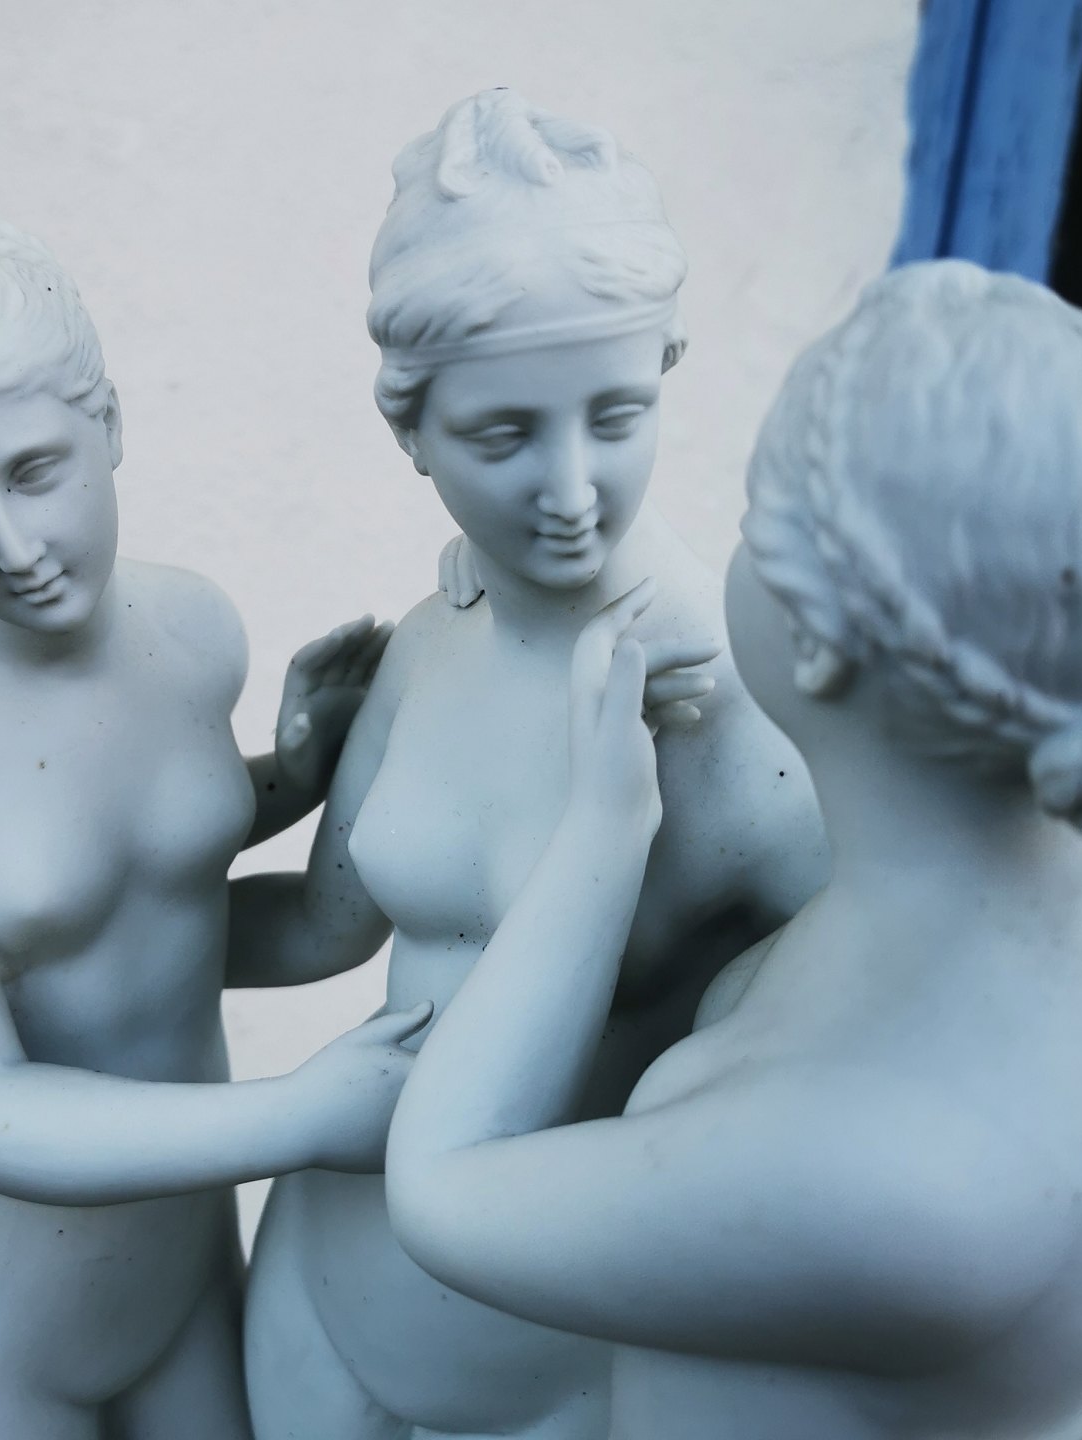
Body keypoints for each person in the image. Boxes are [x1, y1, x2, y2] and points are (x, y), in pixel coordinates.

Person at [386, 260, 1082, 1439]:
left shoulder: (914, 1177)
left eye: (755, 520)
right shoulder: (987, 908)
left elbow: (440, 1190)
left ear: (815, 639)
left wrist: (603, 828)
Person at [243, 89, 827, 1440]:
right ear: (410, 430)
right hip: (318, 1287)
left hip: (554, 1366)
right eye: (504, 436)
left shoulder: (721, 697)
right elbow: (326, 927)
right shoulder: (430, 637)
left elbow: (841, 1051)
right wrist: (74, 930)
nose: (570, 492)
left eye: (614, 417)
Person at [0, 212, 427, 1440]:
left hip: (173, 1274)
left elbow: (174, 899)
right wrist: (299, 1113)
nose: (14, 547)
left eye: (35, 471)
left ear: (111, 422)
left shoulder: (189, 632)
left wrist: (300, 774)